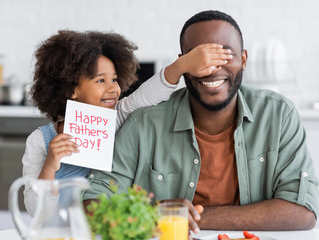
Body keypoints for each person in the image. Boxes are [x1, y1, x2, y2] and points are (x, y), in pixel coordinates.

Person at [83, 10, 319, 232]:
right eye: (200, 58)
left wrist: (177, 216)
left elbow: (303, 212)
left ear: (244, 59)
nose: (212, 69)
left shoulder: (279, 115)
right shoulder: (142, 125)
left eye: (225, 54)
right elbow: (92, 206)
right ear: (183, 63)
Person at [22, 30, 232, 216]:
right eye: (100, 80)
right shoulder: (40, 141)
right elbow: (34, 210)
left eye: (114, 79)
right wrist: (50, 164)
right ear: (71, 90)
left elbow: (147, 95)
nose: (113, 89)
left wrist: (181, 66)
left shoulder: (117, 116)